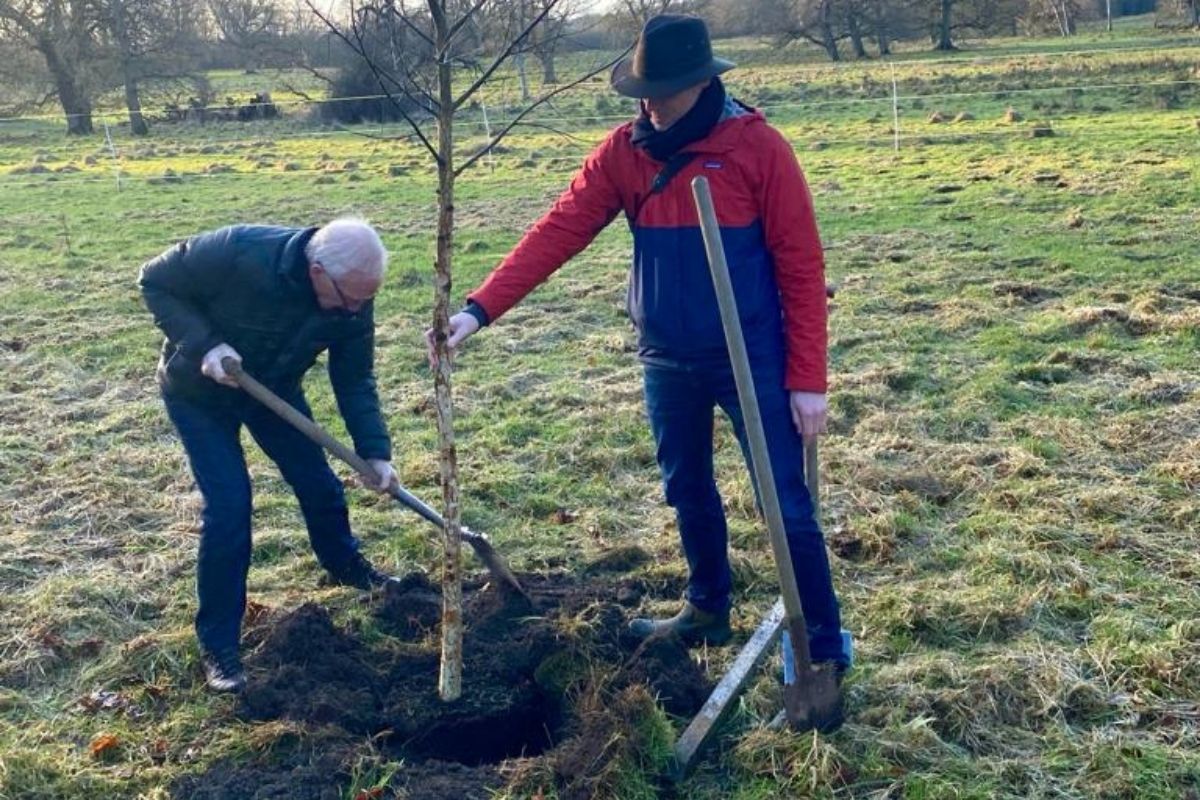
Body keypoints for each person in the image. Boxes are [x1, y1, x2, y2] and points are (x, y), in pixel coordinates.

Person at [427, 15, 850, 671]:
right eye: (642, 92)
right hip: (667, 357)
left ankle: (821, 649)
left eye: (662, 92)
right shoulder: (625, 153)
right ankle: (708, 607)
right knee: (687, 489)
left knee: (785, 505)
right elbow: (558, 230)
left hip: (751, 354)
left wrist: (808, 381)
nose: (648, 106)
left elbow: (801, 268)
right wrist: (480, 310)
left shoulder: (757, 148)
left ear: (698, 85)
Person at [140, 217, 400, 693]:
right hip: (200, 394)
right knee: (230, 506)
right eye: (352, 299)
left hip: (273, 390)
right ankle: (219, 644)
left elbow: (355, 378)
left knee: (319, 483)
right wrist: (204, 344)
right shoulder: (238, 249)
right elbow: (155, 281)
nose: (358, 310)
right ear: (318, 270)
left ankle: (346, 566)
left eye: (366, 299)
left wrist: (376, 452)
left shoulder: (352, 298)